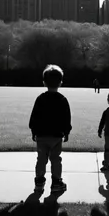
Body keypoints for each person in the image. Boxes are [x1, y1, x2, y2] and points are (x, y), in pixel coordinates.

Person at [29, 64, 72, 192]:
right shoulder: (62, 100)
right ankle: (56, 182)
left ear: (44, 82)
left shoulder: (40, 99)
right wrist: (67, 132)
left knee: (41, 159)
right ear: (60, 83)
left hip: (41, 135)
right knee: (56, 159)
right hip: (56, 136)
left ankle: (39, 182)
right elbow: (66, 118)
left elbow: (34, 117)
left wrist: (33, 131)